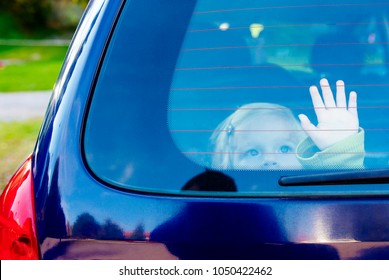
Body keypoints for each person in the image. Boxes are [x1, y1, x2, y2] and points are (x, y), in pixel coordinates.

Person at [210, 79, 365, 169]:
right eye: (253, 152)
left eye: (284, 149)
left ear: (304, 158)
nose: (270, 160)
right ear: (229, 164)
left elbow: (346, 190)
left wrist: (340, 154)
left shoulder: (312, 188)